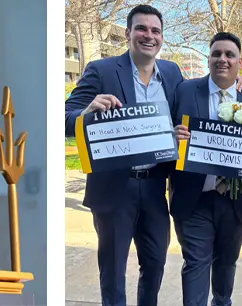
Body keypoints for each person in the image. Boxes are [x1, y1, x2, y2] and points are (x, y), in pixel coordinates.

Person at [61, 5, 181, 305]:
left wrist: (237, 83)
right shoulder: (101, 71)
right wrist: (86, 113)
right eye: (141, 28)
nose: (148, 36)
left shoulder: (172, 73)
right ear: (128, 33)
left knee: (155, 264)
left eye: (155, 31)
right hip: (114, 187)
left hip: (155, 186)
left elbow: (195, 100)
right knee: (113, 272)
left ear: (162, 38)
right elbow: (64, 116)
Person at [170, 32, 242, 306]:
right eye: (216, 54)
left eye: (229, 54)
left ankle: (222, 302)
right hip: (193, 197)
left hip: (236, 199)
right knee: (196, 262)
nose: (222, 59)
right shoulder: (184, 90)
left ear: (239, 62)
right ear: (208, 59)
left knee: (226, 263)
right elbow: (164, 129)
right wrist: (173, 136)